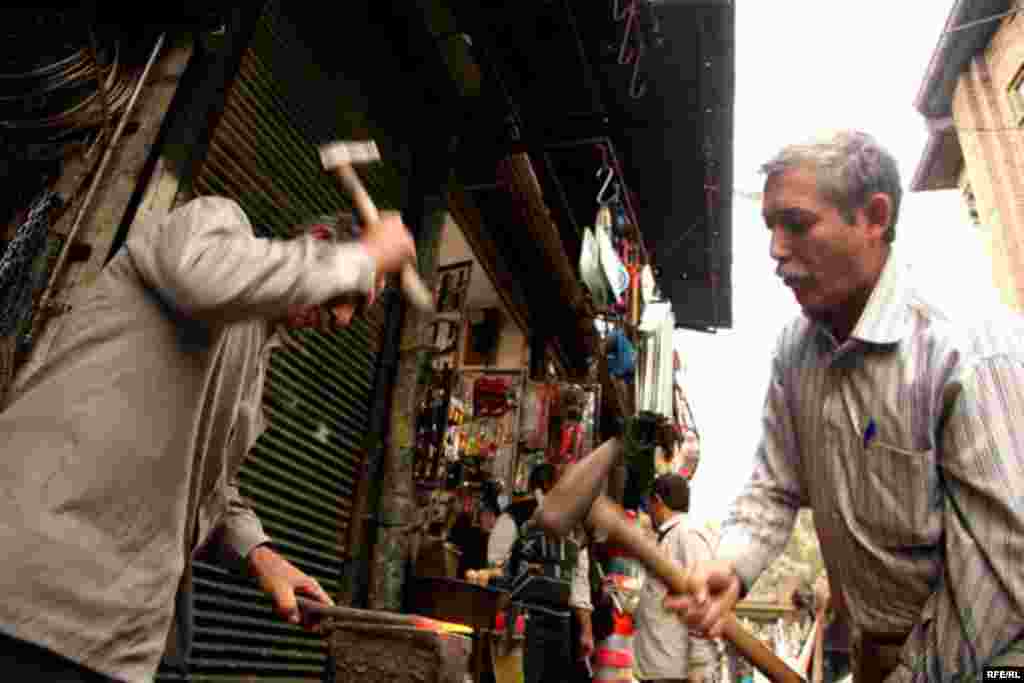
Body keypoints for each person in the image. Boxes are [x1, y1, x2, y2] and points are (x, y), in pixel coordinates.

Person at [0, 195, 417, 682]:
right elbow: (204, 275)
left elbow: (205, 485)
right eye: (350, 297)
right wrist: (362, 258)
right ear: (319, 243)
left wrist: (260, 556)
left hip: (110, 633)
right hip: (35, 595)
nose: (344, 320)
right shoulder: (216, 226)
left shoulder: (252, 358)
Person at [667, 130, 1024, 682]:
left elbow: (1001, 566)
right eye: (770, 227)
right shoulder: (795, 351)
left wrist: (914, 676)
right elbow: (774, 486)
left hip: (991, 660)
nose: (776, 250)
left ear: (874, 217)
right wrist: (732, 567)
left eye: (798, 224)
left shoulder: (964, 346)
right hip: (876, 657)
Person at [488, 463, 595, 683]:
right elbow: (495, 566)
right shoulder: (516, 516)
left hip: (561, 622)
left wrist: (586, 630)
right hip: (522, 621)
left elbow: (579, 579)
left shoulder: (575, 526)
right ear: (547, 485)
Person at [634, 474, 716, 683]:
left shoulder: (687, 535)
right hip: (660, 670)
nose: (648, 512)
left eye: (648, 506)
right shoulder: (669, 537)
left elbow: (703, 599)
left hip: (675, 674)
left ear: (657, 501)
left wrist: (699, 666)